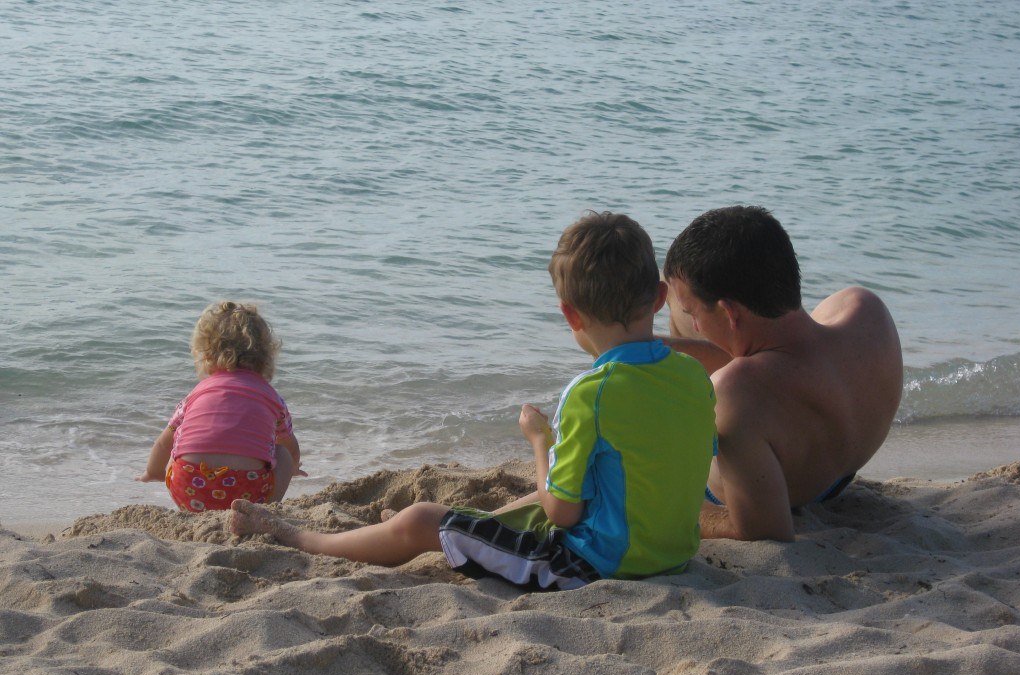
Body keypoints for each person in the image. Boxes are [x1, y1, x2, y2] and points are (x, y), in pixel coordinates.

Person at [230, 212, 717, 590]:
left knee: (425, 517)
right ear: (657, 298)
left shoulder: (591, 393)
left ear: (569, 315)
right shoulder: (694, 376)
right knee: (532, 500)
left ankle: (300, 538)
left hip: (591, 568)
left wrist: (539, 441)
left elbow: (561, 514)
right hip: (670, 555)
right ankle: (419, 529)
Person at [661, 205, 903, 542]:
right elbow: (778, 361)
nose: (696, 325)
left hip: (778, 489)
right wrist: (658, 346)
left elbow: (762, 529)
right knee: (679, 291)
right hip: (838, 469)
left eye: (695, 315)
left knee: (675, 296)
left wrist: (656, 507)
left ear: (730, 313)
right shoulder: (865, 310)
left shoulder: (733, 395)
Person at [136, 301, 305, 512]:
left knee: (180, 437)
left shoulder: (196, 394)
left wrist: (152, 472)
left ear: (205, 354)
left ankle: (191, 507)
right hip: (249, 493)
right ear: (266, 356)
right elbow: (290, 445)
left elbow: (163, 443)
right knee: (283, 455)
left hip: (189, 488)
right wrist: (293, 468)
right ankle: (265, 510)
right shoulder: (273, 399)